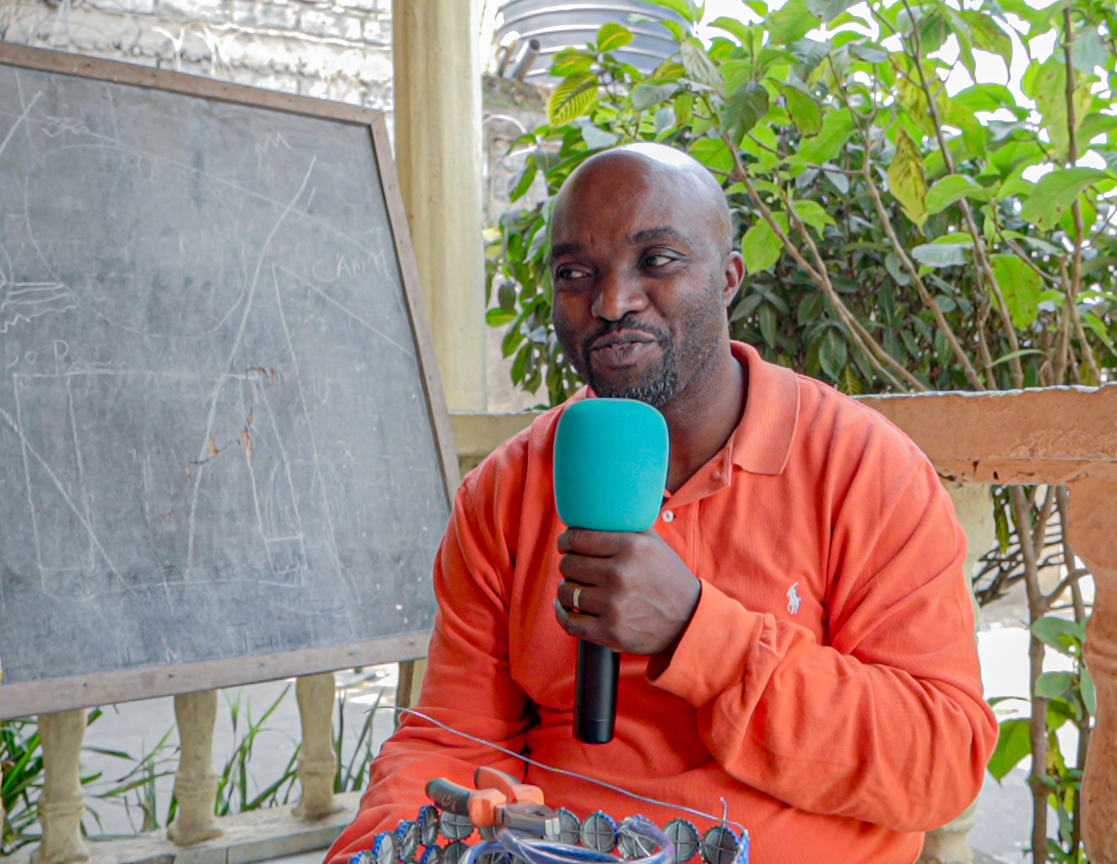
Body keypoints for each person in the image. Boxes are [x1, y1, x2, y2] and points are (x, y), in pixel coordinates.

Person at [327, 143, 996, 863]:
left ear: (728, 279)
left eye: (657, 260)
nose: (612, 302)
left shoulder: (866, 469)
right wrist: (377, 849)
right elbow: (453, 743)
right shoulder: (506, 489)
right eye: (575, 273)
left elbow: (939, 763)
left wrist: (696, 631)